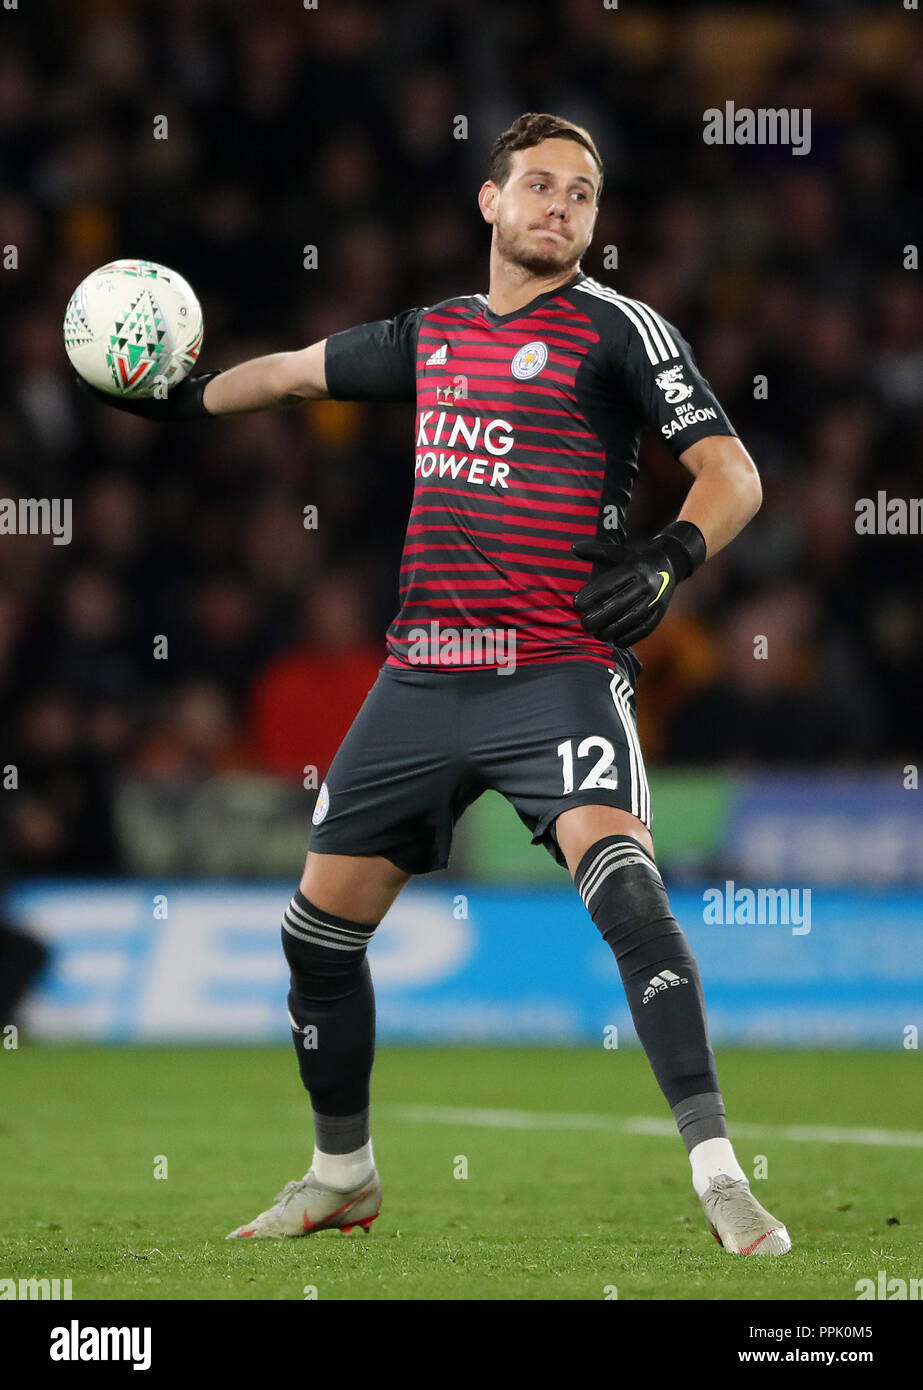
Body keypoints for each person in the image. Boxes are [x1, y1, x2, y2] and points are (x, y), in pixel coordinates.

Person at [80, 113, 789, 1256]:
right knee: (315, 937)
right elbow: (296, 374)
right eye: (541, 187)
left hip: (553, 671)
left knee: (627, 897)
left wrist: (671, 554)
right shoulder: (434, 333)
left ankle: (720, 1177)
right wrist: (180, 396)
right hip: (419, 677)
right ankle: (340, 1174)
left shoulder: (618, 330)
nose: (562, 207)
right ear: (489, 203)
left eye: (582, 195)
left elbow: (730, 471)